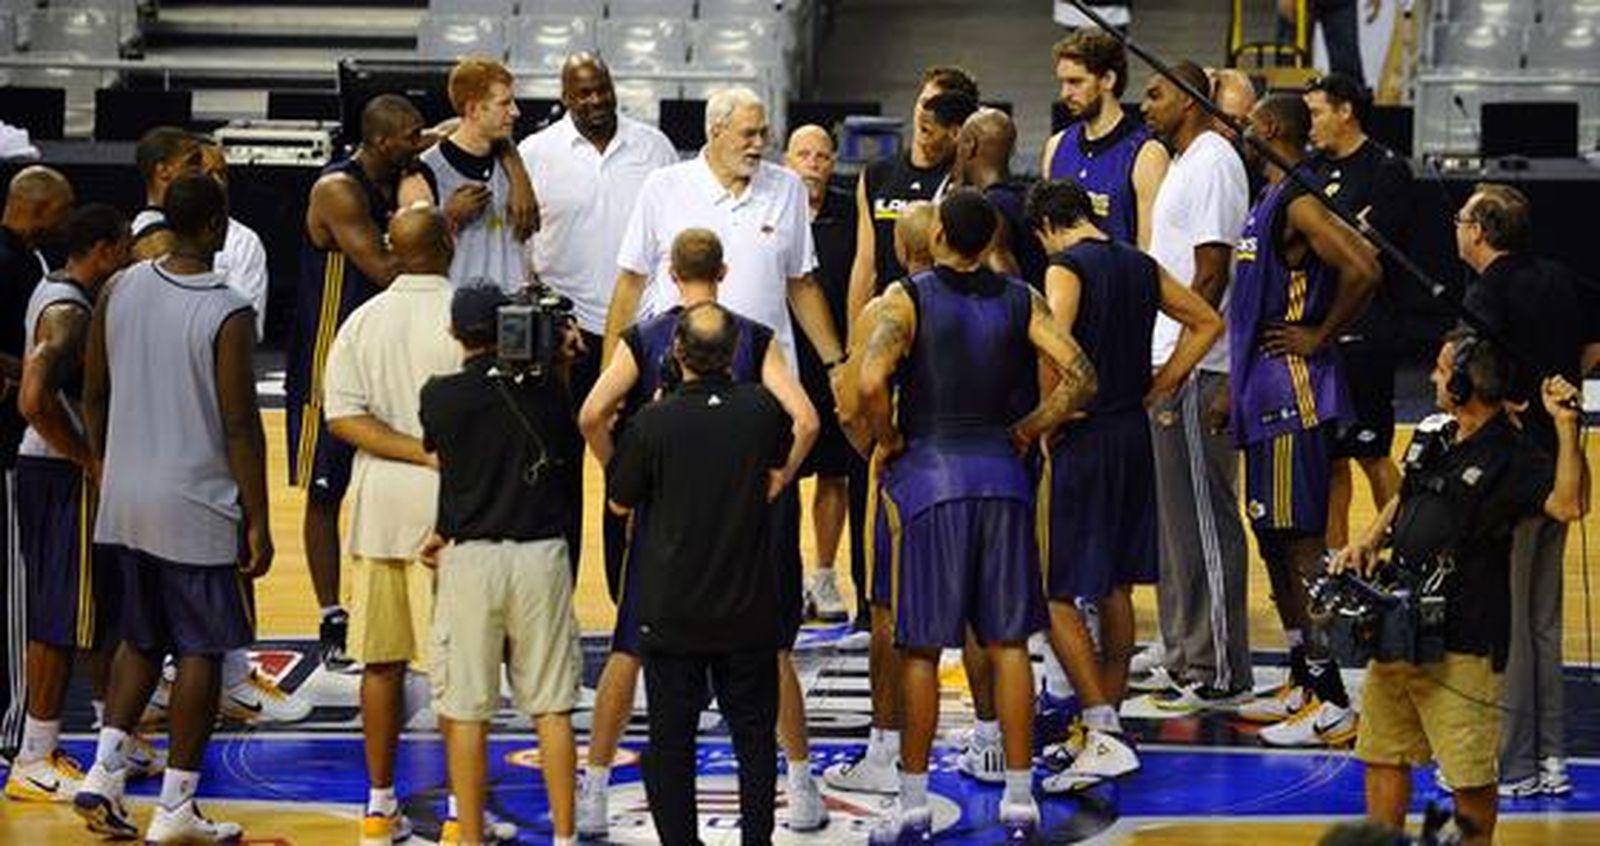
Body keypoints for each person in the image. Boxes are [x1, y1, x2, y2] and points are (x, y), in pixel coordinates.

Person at [859, 189, 1098, 842]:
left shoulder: (906, 297)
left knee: (920, 648)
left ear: (937, 233)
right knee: (1009, 644)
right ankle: (1020, 800)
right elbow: (1081, 374)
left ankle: (911, 806)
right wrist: (1028, 428)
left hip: (928, 480)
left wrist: (887, 439)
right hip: (1003, 478)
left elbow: (870, 382)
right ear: (990, 239)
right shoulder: (1023, 297)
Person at [575, 228, 825, 838]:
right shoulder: (747, 334)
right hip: (743, 539)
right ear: (726, 268)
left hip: (668, 541)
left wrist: (624, 479)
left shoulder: (646, 336)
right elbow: (807, 419)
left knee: (630, 655)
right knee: (770, 659)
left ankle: (597, 786)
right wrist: (780, 476)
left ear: (668, 269)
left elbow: (589, 415)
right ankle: (799, 782)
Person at [74, 173, 270, 844]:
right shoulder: (227, 308)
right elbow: (242, 425)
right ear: (215, 227)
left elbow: (94, 392)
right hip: (194, 501)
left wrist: (108, 465)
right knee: (200, 654)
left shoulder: (120, 286)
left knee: (139, 638)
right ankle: (178, 806)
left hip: (124, 496)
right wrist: (259, 517)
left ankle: (102, 773)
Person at [1338, 334, 1589, 846]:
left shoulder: (1510, 454)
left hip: (1464, 640)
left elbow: (1568, 505)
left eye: (1439, 370)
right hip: (1397, 621)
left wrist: (1566, 427)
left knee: (1469, 776)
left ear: (1461, 384)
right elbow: (1406, 495)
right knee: (1383, 754)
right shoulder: (1435, 434)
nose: (1432, 378)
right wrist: (1366, 541)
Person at [1025, 179, 1224, 792]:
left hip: (1081, 436)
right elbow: (1207, 321)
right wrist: (1160, 385)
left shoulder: (1064, 267)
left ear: (1046, 227)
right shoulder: (1140, 264)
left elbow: (1051, 349)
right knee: (1113, 586)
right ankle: (1103, 732)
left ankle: (1102, 727)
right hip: (1132, 432)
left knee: (1054, 589)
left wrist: (1046, 418)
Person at [319, 205, 479, 845]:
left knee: (381, 666)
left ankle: (379, 808)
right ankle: (459, 816)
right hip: (452, 512)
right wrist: (430, 452)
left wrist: (406, 448)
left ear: (392, 247)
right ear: (447, 243)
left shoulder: (363, 319)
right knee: (455, 674)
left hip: (379, 508)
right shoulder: (467, 317)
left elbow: (342, 419)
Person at [1229, 94, 1380, 746]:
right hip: (1259, 389)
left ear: (1266, 129)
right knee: (1271, 539)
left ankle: (1334, 698)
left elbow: (1364, 268)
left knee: (1299, 543)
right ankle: (1301, 674)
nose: (1239, 132)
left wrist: (1319, 335)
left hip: (1293, 392)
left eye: (1245, 125)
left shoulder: (1297, 198)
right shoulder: (1269, 195)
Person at [418, 284, 585, 846]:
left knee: (466, 711)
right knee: (553, 707)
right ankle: (564, 837)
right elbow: (566, 450)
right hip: (540, 558)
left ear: (454, 333)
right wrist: (558, 365)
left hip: (471, 561)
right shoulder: (549, 394)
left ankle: (468, 836)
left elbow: (453, 463)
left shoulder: (438, 396)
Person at [1455, 183, 1596, 797]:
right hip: (1561, 460)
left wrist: (1508, 404)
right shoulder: (1559, 276)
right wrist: (1559, 383)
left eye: (1462, 218)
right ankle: (1553, 761)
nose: (1455, 227)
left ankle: (1512, 768)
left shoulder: (1487, 290)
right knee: (1543, 620)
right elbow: (1591, 342)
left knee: (1509, 623)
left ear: (1480, 231)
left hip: (1512, 476)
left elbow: (1471, 379)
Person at [518, 52, 678, 583]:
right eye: (582, 93)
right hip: (567, 337)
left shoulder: (654, 147)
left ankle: (625, 595)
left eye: (602, 89)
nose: (595, 101)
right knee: (558, 468)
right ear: (564, 97)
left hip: (639, 333)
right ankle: (555, 596)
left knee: (630, 469)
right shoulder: (535, 154)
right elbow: (523, 245)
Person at [289, 93, 426, 673]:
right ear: (380, 142)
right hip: (331, 353)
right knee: (327, 491)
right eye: (411, 138)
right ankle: (331, 616)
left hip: (383, 349)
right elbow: (386, 268)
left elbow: (450, 131)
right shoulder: (337, 189)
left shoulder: (394, 165)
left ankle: (395, 608)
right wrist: (444, 223)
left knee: (394, 475)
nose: (420, 144)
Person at [5, 205, 133, 803]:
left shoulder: (51, 289)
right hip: (61, 472)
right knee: (62, 616)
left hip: (48, 470)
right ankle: (34, 755)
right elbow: (33, 399)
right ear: (104, 250)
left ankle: (109, 740)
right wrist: (87, 457)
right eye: (125, 248)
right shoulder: (69, 310)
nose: (131, 257)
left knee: (84, 614)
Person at [1136, 60, 1254, 707]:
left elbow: (1211, 275)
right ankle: (1186, 654)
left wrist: (1177, 367)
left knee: (1207, 521)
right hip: (1171, 362)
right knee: (1177, 524)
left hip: (1200, 367)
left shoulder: (1212, 160)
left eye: (1154, 94)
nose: (1145, 105)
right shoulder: (1185, 161)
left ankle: (1221, 669)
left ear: (1188, 99)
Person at [605, 86, 843, 378]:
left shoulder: (789, 188)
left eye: (763, 134)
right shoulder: (662, 187)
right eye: (748, 134)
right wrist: (609, 375)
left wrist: (836, 366)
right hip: (681, 379)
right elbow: (631, 283)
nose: (759, 144)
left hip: (768, 378)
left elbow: (802, 284)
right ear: (716, 131)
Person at [823, 202, 936, 796]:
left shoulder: (885, 309)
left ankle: (885, 748)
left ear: (900, 249)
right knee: (982, 619)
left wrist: (880, 441)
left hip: (906, 471)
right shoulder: (1004, 294)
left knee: (889, 613)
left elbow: (853, 404)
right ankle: (994, 743)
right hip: (981, 473)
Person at [1305, 72, 1411, 552]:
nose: (1310, 124)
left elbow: (1368, 255)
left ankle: (1403, 550)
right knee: (1329, 459)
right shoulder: (1311, 168)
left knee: (1371, 451)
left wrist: (1333, 237)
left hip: (1368, 331)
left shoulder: (1387, 169)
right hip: (1322, 329)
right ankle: (1336, 560)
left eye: (1316, 113)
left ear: (1345, 111)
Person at [0, 165, 72, 760]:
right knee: (19, 594)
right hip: (10, 450)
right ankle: (18, 734)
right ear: (39, 208)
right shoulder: (12, 264)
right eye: (62, 208)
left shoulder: (24, 259)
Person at [784, 123, 856, 625]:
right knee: (781, 473)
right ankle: (783, 577)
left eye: (823, 155)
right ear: (787, 160)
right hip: (782, 362)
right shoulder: (771, 207)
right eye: (804, 154)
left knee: (835, 473)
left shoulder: (852, 212)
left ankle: (825, 575)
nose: (814, 163)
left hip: (836, 362)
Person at [845, 64, 979, 328]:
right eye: (923, 102)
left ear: (957, 126)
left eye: (937, 109)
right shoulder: (876, 175)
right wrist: (855, 342)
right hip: (888, 323)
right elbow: (865, 265)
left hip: (944, 325)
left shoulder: (964, 184)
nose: (926, 114)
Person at [401, 56, 538, 293]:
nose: (515, 112)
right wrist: (447, 217)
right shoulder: (424, 173)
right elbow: (412, 258)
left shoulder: (513, 165)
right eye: (504, 104)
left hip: (512, 315)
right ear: (473, 109)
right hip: (452, 317)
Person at [1042, 27, 1169, 249]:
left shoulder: (1147, 154)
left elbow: (1149, 255)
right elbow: (1050, 243)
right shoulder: (1055, 146)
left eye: (1075, 82)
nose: (1064, 94)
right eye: (1062, 82)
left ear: (1108, 79)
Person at [953, 108, 1049, 288]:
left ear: (970, 146)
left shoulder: (988, 207)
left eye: (959, 145)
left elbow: (1002, 270)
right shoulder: (1030, 197)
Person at [197, 139, 270, 340]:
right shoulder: (153, 237)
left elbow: (248, 326)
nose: (218, 183)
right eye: (208, 174)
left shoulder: (245, 241)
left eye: (222, 174)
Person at [129, 127, 202, 260]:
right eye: (193, 163)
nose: (202, 171)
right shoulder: (155, 242)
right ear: (163, 170)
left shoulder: (176, 226)